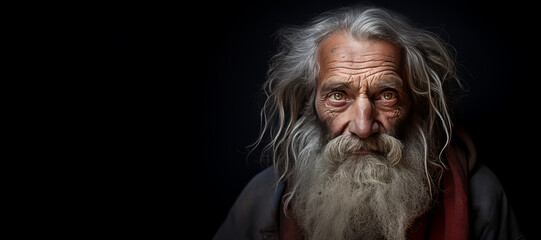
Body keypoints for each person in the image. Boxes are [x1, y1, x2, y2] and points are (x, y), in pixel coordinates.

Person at [213, 4, 524, 240]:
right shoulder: (262, 199)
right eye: (338, 96)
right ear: (308, 101)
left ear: (415, 102)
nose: (363, 127)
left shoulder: (480, 196)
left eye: (387, 95)